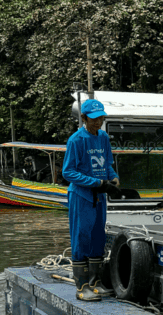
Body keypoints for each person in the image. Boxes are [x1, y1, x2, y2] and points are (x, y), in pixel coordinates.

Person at [62, 98, 121, 302]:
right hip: (82, 196)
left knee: (98, 237)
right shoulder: (76, 140)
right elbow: (68, 172)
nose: (98, 122)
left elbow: (108, 165)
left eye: (101, 118)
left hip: (100, 196)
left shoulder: (103, 137)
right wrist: (96, 183)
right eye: (94, 119)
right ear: (84, 118)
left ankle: (96, 283)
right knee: (81, 237)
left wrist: (113, 178)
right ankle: (82, 286)